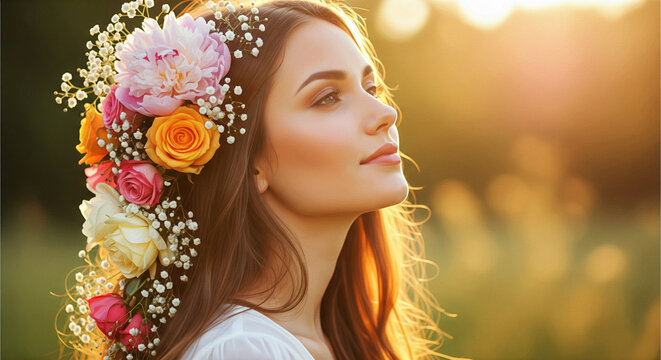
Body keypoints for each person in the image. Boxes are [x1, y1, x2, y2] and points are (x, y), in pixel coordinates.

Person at [54, 1, 460, 359]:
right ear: (250, 164)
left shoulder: (329, 338)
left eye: (371, 87)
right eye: (327, 97)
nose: (384, 113)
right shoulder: (244, 349)